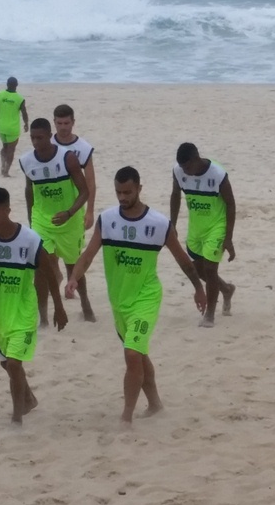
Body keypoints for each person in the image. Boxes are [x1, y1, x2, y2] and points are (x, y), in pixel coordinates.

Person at [67, 167, 207, 426]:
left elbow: (183, 260)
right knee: (139, 354)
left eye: (127, 192)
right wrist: (74, 277)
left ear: (139, 189)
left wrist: (198, 288)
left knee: (131, 353)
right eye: (118, 192)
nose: (122, 197)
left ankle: (126, 417)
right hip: (119, 301)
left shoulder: (158, 224)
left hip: (146, 297)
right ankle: (154, 404)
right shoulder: (107, 219)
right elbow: (88, 255)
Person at [0, 187, 68, 426]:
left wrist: (58, 307)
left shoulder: (29, 239)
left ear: (8, 210)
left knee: (13, 362)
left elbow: (50, 274)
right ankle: (29, 398)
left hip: (23, 312)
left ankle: (17, 417)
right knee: (6, 363)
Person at [19, 118, 95, 323]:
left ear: (49, 135)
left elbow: (84, 191)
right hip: (42, 222)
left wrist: (70, 213)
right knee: (41, 269)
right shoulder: (26, 161)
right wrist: (31, 221)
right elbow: (29, 191)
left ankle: (86, 306)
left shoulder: (67, 158)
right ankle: (43, 316)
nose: (36, 142)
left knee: (73, 267)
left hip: (69, 222)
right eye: (32, 138)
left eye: (40, 137)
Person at [171, 143, 237, 327]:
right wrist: (173, 225)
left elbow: (231, 204)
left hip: (217, 226)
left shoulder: (217, 175)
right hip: (196, 228)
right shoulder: (178, 172)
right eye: (183, 168)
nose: (186, 171)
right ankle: (226, 289)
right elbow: (175, 195)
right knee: (197, 269)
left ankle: (209, 315)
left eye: (188, 167)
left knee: (210, 269)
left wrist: (228, 237)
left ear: (196, 158)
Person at [51, 104, 97, 231]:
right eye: (59, 123)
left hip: (74, 205)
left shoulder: (84, 148)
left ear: (73, 122)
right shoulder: (48, 144)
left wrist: (90, 211)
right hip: (49, 203)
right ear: (54, 122)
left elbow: (90, 182)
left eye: (66, 123)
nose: (63, 127)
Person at [0, 77, 29, 177]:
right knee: (11, 150)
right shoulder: (20, 98)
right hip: (13, 128)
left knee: (5, 147)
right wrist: (26, 124)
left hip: (1, 126)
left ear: (6, 84)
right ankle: (6, 171)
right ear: (17, 85)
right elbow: (24, 113)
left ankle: (2, 165)